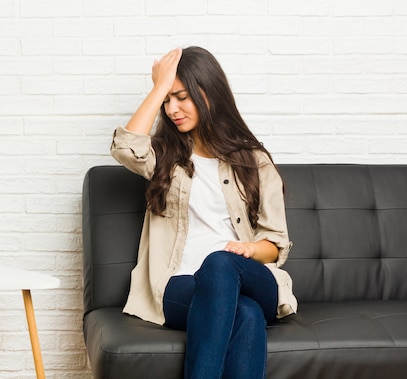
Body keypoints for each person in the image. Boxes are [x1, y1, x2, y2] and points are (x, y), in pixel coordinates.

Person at [110, 46, 297, 379]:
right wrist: (158, 86)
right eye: (167, 100)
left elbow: (276, 243)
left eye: (181, 97)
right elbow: (126, 148)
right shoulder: (165, 157)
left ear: (208, 93)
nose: (172, 109)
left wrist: (250, 250)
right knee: (247, 315)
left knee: (221, 262)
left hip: (246, 275)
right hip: (180, 286)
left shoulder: (254, 161)